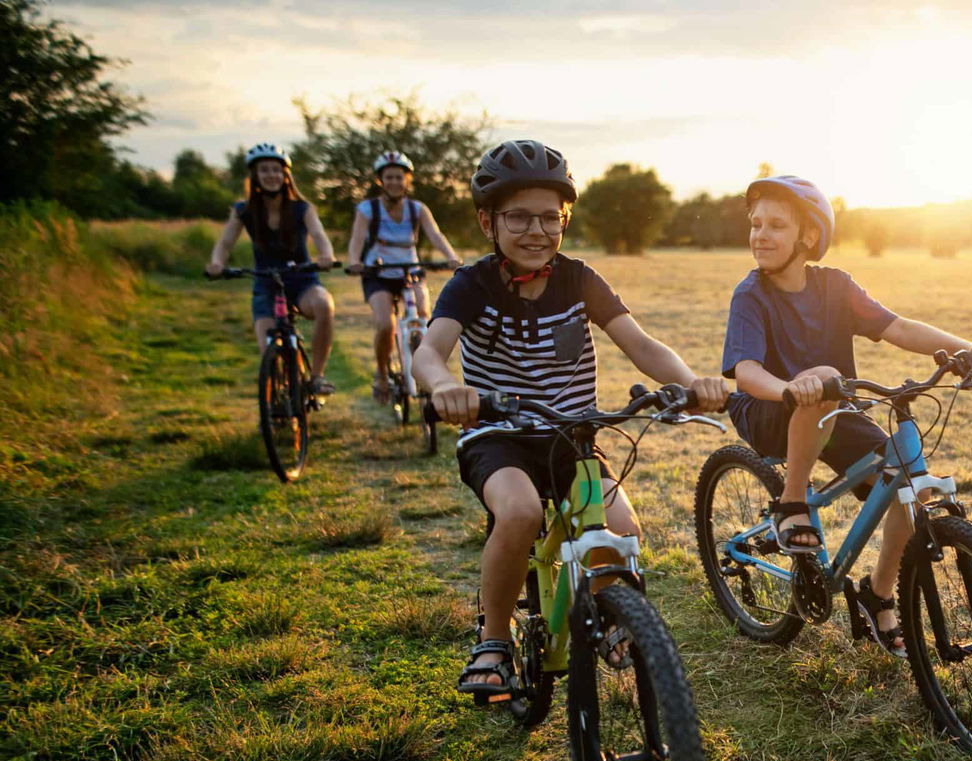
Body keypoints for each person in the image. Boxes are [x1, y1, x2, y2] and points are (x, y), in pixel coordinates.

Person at [410, 139, 729, 702]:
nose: (536, 231)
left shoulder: (580, 279)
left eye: (549, 218)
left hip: (573, 436)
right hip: (498, 436)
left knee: (623, 531)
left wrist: (687, 382)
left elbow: (640, 344)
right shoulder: (471, 284)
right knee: (520, 511)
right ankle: (493, 640)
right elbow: (428, 353)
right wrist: (445, 387)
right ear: (488, 220)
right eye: (518, 217)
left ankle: (609, 620)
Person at [722, 175, 972, 658]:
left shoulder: (835, 286)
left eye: (775, 225)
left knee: (903, 482)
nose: (760, 235)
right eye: (755, 224)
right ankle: (791, 504)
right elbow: (745, 370)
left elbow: (897, 326)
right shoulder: (751, 295)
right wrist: (789, 389)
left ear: (808, 237)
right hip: (770, 409)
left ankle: (877, 593)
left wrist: (967, 350)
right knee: (826, 381)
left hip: (835, 408)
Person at [205, 143, 338, 393]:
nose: (271, 175)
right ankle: (277, 403)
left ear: (285, 175)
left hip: (302, 280)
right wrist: (217, 264)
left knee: (324, 305)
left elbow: (319, 236)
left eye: (276, 170)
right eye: (264, 170)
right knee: (269, 352)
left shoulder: (303, 208)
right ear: (255, 176)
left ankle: (316, 377)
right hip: (266, 283)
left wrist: (326, 256)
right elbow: (225, 243)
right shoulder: (243, 210)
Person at [345, 150, 463, 404]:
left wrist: (451, 256)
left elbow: (435, 235)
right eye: (389, 177)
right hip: (378, 273)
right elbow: (356, 239)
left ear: (407, 180)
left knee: (425, 317)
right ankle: (381, 374)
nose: (394, 182)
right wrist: (354, 261)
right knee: (385, 324)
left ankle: (427, 369)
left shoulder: (417, 209)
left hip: (410, 270)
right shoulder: (367, 209)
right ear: (380, 180)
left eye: (399, 177)